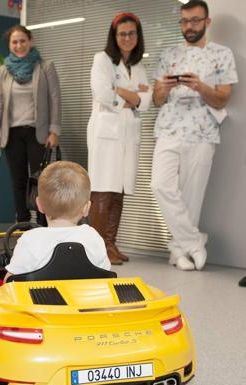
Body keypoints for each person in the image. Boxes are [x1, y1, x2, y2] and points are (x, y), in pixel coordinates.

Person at [151, 0, 238, 271]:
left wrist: (200, 86)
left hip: (203, 132)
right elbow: (155, 99)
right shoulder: (168, 54)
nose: (189, 26)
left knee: (192, 197)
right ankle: (194, 242)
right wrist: (164, 88)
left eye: (195, 21)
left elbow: (223, 98)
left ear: (207, 22)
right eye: (185, 21)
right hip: (168, 129)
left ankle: (178, 252)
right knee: (159, 185)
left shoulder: (222, 54)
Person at [86, 13, 151, 266]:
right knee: (103, 189)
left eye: (131, 33)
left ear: (138, 36)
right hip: (107, 133)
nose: (127, 38)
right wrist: (129, 95)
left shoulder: (138, 66)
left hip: (128, 133)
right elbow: (102, 92)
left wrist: (125, 93)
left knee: (119, 191)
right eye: (122, 34)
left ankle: (110, 243)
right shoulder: (101, 60)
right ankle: (98, 247)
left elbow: (145, 102)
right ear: (114, 37)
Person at [0, 24, 62, 224]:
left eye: (23, 41)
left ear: (30, 42)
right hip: (12, 134)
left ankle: (42, 223)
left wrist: (54, 130)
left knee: (41, 182)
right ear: (10, 45)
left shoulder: (45, 67)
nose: (19, 45)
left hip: (38, 134)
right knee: (19, 182)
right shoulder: (4, 71)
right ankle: (22, 224)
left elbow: (55, 99)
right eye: (15, 42)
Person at [4, 161, 111, 282]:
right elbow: (106, 278)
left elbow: (10, 282)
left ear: (39, 205)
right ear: (86, 208)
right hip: (84, 299)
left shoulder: (29, 239)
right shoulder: (94, 237)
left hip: (39, 300)